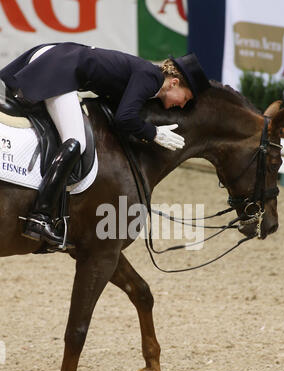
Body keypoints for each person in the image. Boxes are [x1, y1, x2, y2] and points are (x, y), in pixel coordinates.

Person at [0, 42, 210, 248]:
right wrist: (153, 132)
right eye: (185, 97)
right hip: (61, 69)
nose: (182, 104)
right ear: (174, 83)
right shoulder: (151, 77)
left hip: (55, 56)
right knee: (76, 141)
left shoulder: (147, 76)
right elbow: (124, 118)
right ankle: (40, 216)